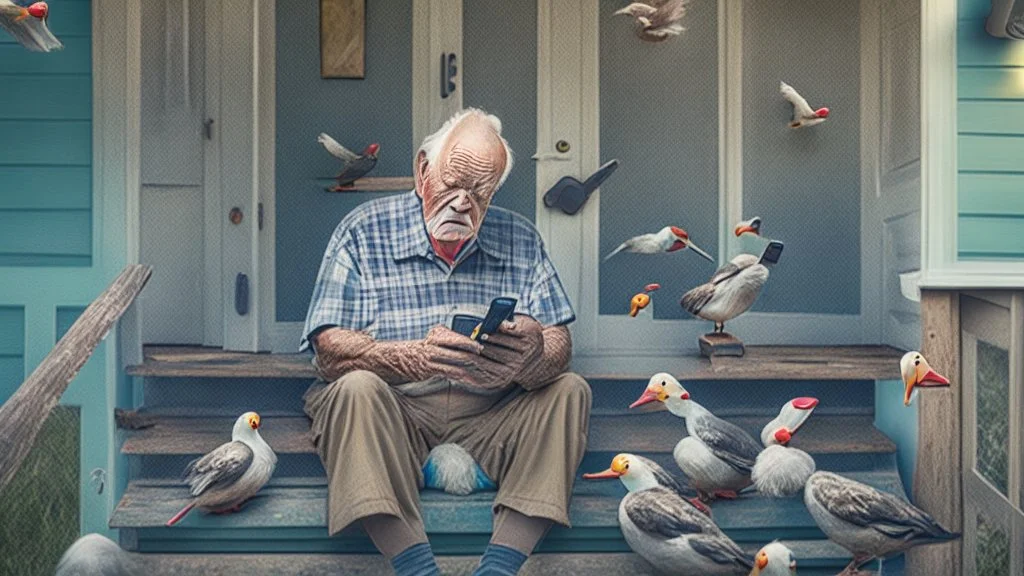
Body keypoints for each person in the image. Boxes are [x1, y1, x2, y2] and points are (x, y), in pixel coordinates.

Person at [300, 108, 592, 576]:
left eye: (479, 192)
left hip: (493, 418)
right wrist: (407, 357)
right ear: (422, 171)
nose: (461, 203)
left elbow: (559, 343)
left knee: (569, 389)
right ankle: (416, 567)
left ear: (494, 191)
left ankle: (499, 566)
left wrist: (531, 356)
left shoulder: (520, 236)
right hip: (397, 415)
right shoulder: (362, 230)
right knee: (355, 389)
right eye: (451, 183)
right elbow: (327, 349)